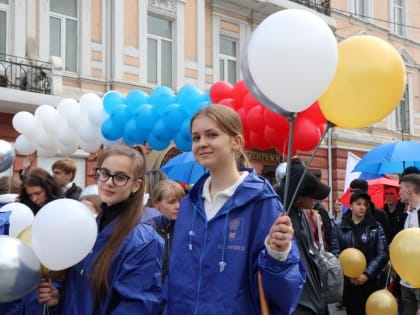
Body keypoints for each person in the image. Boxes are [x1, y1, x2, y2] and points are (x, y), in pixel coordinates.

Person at [164, 105, 305, 314]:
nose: (202, 143)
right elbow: (175, 276)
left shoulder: (263, 202)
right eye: (196, 138)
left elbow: (286, 293)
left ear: (236, 142)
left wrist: (278, 254)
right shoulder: (189, 203)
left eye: (212, 135)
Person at [38, 145, 164, 314]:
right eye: (104, 173)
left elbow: (135, 307)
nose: (109, 182)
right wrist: (58, 298)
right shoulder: (90, 228)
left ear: (136, 185)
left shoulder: (144, 240)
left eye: (120, 177)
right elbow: (81, 294)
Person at [1, 169, 63, 315]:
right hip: (26, 280)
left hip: (52, 280)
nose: (34, 199)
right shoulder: (23, 211)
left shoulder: (61, 210)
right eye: (30, 195)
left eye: (38, 193)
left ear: (48, 188)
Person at [277, 160, 331, 315]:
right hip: (299, 302)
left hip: (313, 298)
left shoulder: (302, 215)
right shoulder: (282, 218)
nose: (316, 200)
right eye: (313, 195)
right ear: (299, 197)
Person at [330, 191, 389, 315]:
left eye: (365, 204)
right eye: (358, 204)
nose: (362, 207)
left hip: (371, 281)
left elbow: (382, 253)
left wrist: (367, 274)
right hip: (350, 284)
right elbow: (335, 253)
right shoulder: (339, 228)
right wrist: (350, 274)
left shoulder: (375, 227)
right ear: (351, 206)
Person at [147, 179, 185, 314]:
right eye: (171, 202)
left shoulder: (186, 232)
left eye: (181, 201)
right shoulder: (146, 233)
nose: (178, 206)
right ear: (157, 204)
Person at [398, 174, 420, 315]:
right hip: (406, 282)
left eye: (400, 188)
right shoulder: (409, 214)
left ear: (409, 189)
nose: (398, 192)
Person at [349, 178, 392, 244]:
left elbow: (386, 240)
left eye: (355, 191)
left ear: (364, 193)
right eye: (351, 191)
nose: (352, 194)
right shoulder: (347, 215)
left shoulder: (379, 214)